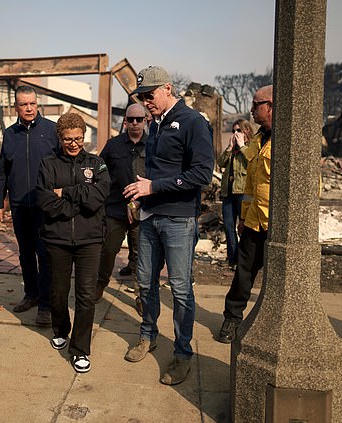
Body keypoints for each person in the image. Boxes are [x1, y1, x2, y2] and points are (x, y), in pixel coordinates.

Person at [122, 66, 214, 385]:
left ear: (168, 89)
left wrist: (154, 187)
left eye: (150, 95)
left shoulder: (193, 123)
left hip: (177, 218)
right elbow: (153, 173)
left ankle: (183, 353)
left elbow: (201, 174)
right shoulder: (155, 125)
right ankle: (148, 336)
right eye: (142, 97)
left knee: (180, 288)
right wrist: (141, 195)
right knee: (145, 282)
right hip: (150, 215)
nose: (146, 101)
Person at [36, 113, 110, 373]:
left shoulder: (97, 163)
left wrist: (66, 193)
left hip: (90, 240)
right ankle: (60, 329)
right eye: (68, 139)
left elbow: (98, 197)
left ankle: (80, 350)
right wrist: (77, 205)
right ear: (60, 138)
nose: (74, 143)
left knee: (86, 296)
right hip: (57, 238)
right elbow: (45, 201)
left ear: (84, 136)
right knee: (57, 291)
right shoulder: (47, 164)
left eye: (78, 138)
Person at [0, 86, 58, 327]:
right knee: (25, 253)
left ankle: (45, 305)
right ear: (16, 107)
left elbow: (62, 166)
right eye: (23, 104)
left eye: (32, 103)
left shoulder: (52, 131)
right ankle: (31, 294)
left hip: (45, 205)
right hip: (19, 205)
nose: (29, 108)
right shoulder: (9, 134)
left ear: (37, 103)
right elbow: (2, 172)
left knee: (45, 254)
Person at [215, 85, 273, 344]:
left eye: (256, 105)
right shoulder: (259, 142)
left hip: (278, 225)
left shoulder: (289, 140)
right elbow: (251, 186)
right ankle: (232, 318)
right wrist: (243, 218)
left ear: (270, 106)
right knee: (243, 272)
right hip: (254, 223)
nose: (252, 110)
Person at [95, 104, 147, 312]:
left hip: (143, 210)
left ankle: (142, 295)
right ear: (125, 121)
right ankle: (100, 284)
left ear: (146, 121)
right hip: (115, 209)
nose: (135, 123)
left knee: (142, 254)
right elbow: (99, 167)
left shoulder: (154, 145)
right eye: (131, 119)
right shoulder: (113, 145)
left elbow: (160, 174)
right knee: (108, 249)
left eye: (139, 119)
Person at [216, 118, 253, 269]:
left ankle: (244, 260)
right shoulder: (232, 150)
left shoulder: (250, 147)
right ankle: (233, 259)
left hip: (242, 192)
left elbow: (252, 161)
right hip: (228, 193)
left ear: (246, 132)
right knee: (228, 226)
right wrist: (229, 148)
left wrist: (242, 146)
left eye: (239, 130)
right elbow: (220, 162)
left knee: (243, 227)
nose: (235, 134)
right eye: (233, 131)